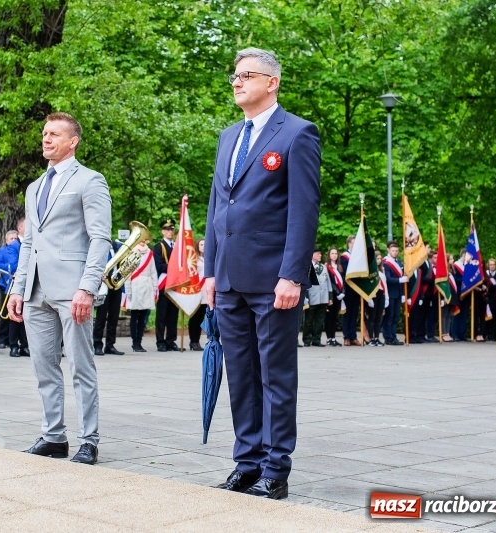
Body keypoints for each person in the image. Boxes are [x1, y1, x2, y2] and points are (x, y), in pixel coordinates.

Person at [205, 48, 320, 499]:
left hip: (274, 280)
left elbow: (303, 211)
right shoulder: (229, 137)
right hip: (229, 278)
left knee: (275, 375)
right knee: (241, 375)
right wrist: (211, 273)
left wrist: (292, 275)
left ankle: (276, 469)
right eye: (233, 75)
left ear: (271, 82)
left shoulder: (297, 134)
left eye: (246, 75)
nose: (236, 82)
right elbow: (219, 206)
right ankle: (247, 462)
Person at [7, 112, 112, 465]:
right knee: (43, 367)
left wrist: (87, 287)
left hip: (73, 290)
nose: (46, 139)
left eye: (54, 134)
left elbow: (100, 238)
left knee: (81, 366)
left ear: (73, 141)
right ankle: (54, 436)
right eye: (44, 133)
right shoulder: (34, 187)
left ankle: (88, 441)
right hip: (36, 290)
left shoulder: (90, 181)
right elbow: (27, 243)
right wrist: (17, 289)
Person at [0, 218, 30, 357]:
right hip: (17, 283)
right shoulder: (13, 245)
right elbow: (14, 264)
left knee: (26, 315)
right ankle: (13, 345)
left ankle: (25, 345)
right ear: (20, 228)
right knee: (15, 315)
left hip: (30, 284)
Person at [123, 241, 158, 352]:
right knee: (135, 316)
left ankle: (140, 341)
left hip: (147, 285)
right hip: (135, 285)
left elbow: (153, 271)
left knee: (143, 317)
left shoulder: (149, 254)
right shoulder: (131, 253)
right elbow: (127, 272)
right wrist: (128, 289)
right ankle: (135, 342)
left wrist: (155, 286)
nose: (143, 241)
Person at [93, 239, 124, 356]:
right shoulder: (100, 248)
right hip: (104, 286)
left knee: (114, 317)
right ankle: (97, 345)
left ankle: (110, 345)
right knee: (101, 317)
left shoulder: (118, 247)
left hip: (117, 286)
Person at [153, 219, 180, 352]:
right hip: (164, 282)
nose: (170, 231)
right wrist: (174, 268)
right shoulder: (159, 246)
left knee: (173, 314)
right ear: (162, 231)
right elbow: (159, 265)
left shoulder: (177, 246)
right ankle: (160, 341)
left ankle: (171, 340)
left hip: (175, 283)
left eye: (172, 229)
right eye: (167, 229)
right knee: (162, 314)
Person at [302, 247, 331, 347]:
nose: (320, 255)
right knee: (309, 320)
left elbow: (328, 283)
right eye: (318, 254)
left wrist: (330, 297)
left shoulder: (323, 267)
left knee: (320, 320)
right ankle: (307, 339)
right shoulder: (307, 267)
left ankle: (316, 339)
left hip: (323, 297)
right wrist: (306, 298)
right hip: (312, 297)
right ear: (312, 254)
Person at [0, 229, 18, 349]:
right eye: (11, 239)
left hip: (17, 284)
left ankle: (13, 339)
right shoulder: (1, 251)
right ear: (6, 240)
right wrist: (10, 267)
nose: (14, 241)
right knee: (5, 312)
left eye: (15, 238)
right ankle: (2, 339)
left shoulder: (18, 250)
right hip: (6, 284)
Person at [381, 241, 406, 345]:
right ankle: (388, 337)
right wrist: (400, 280)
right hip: (390, 293)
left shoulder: (399, 262)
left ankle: (394, 336)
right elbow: (387, 279)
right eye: (393, 250)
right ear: (389, 250)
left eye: (396, 251)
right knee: (389, 317)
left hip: (398, 293)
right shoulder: (386, 263)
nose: (395, 252)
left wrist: (404, 294)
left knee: (396, 316)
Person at [187, 239, 207, 351]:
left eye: (205, 244)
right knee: (194, 317)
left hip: (205, 293)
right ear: (197, 246)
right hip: (196, 290)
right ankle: (193, 341)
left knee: (200, 318)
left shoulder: (208, 258)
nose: (203, 246)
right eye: (201, 244)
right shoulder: (194, 259)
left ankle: (197, 341)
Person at [366, 251, 389, 346]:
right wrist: (369, 298)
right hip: (373, 294)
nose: (379, 260)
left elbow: (385, 285)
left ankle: (376, 337)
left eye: (380, 259)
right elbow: (367, 285)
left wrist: (386, 297)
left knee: (379, 318)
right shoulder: (370, 271)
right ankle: (371, 338)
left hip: (381, 294)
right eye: (377, 258)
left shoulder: (382, 270)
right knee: (372, 317)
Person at [324, 247, 344, 347]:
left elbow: (343, 281)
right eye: (332, 253)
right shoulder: (326, 267)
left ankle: (334, 338)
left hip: (340, 296)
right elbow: (329, 282)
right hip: (331, 295)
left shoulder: (339, 267)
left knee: (335, 317)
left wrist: (343, 292)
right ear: (329, 255)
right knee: (329, 317)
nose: (334, 255)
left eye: (336, 253)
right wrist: (336, 293)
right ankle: (329, 338)